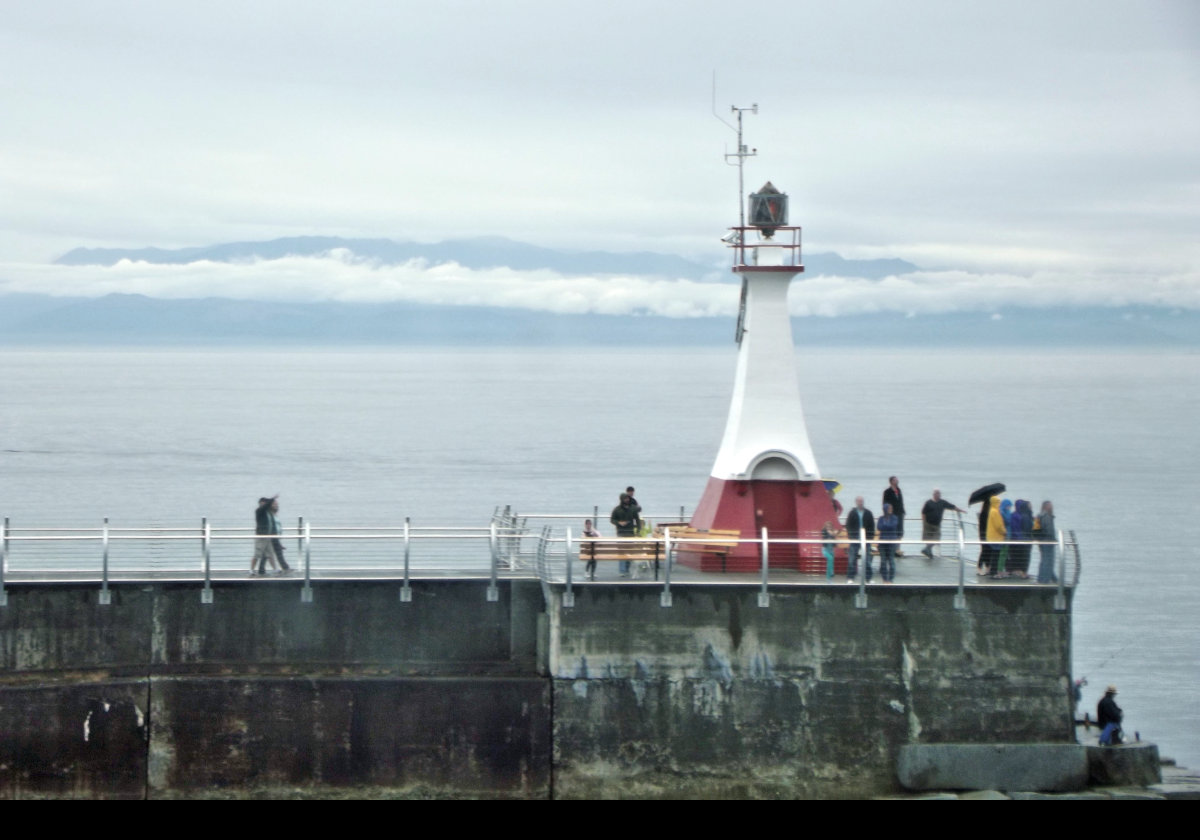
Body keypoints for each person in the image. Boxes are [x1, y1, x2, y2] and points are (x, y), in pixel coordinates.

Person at [920, 489, 964, 558]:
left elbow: (951, 506)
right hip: (928, 523)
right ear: (934, 495)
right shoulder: (928, 502)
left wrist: (960, 510)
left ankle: (926, 549)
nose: (939, 495)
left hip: (937, 524)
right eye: (937, 494)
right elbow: (923, 512)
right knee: (928, 538)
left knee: (937, 538)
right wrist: (924, 522)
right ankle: (929, 552)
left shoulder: (942, 502)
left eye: (939, 494)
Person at [844, 496, 876, 583]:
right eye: (859, 501)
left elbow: (872, 526)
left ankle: (868, 578)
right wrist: (851, 536)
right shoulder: (852, 513)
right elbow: (848, 525)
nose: (860, 502)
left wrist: (869, 538)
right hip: (855, 539)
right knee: (852, 560)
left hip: (866, 539)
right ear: (856, 502)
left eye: (861, 501)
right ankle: (850, 578)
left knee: (867, 560)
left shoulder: (868, 513)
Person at [610, 493, 639, 577]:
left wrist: (638, 530)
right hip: (621, 532)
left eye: (628, 498)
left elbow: (637, 519)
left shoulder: (633, 509)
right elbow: (612, 519)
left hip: (630, 533)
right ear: (622, 499)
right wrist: (619, 523)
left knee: (630, 553)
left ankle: (627, 569)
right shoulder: (617, 509)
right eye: (625, 498)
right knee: (622, 552)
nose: (627, 500)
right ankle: (622, 571)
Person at [253, 495, 281, 576]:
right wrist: (273, 498)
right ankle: (251, 570)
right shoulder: (259, 511)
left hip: (268, 536)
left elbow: (272, 524)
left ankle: (274, 569)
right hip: (261, 536)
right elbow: (264, 507)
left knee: (270, 554)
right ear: (261, 503)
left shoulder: (268, 512)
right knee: (257, 554)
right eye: (264, 502)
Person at [1008, 499, 1034, 578]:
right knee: (1022, 556)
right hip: (1021, 539)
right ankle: (1022, 572)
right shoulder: (1020, 516)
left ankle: (1020, 571)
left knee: (1019, 556)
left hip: (1019, 539)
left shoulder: (1018, 515)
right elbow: (1023, 528)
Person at [1035, 500, 1058, 584]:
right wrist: (1053, 539)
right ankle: (1045, 580)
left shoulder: (1039, 516)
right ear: (1046, 506)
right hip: (1048, 541)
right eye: (1050, 505)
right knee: (1048, 561)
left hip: (1041, 541)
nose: (1052, 507)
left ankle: (1044, 579)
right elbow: (1049, 530)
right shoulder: (1047, 516)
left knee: (1044, 561)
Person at [882, 477, 906, 556]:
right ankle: (893, 549)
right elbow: (885, 503)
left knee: (900, 532)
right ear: (891, 481)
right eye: (895, 480)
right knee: (893, 532)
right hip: (892, 515)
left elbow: (901, 501)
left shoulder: (899, 490)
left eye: (897, 480)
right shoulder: (887, 492)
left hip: (900, 514)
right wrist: (887, 514)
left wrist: (903, 511)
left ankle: (898, 549)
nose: (897, 481)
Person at [876, 503, 900, 583]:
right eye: (889, 508)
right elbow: (879, 527)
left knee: (891, 561)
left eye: (891, 508)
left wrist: (885, 526)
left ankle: (891, 579)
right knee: (883, 561)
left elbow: (893, 526)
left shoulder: (894, 518)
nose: (891, 510)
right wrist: (887, 526)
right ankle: (884, 578)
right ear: (885, 509)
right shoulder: (880, 518)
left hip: (891, 543)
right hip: (882, 543)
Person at [985, 496, 1007, 578]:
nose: (999, 504)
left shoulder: (991, 510)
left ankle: (992, 571)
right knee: (996, 555)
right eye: (998, 502)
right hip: (996, 537)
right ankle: (994, 573)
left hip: (991, 536)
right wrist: (1004, 532)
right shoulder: (995, 512)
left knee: (994, 554)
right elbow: (998, 525)